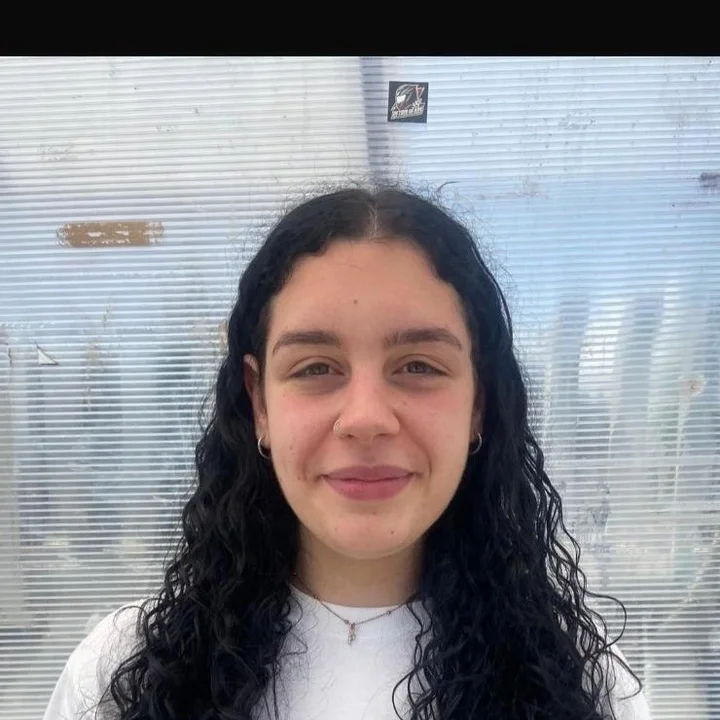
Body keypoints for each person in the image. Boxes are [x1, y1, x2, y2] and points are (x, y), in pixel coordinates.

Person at [42, 187, 653, 719]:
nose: (365, 419)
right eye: (315, 367)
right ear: (260, 404)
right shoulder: (120, 675)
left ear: (478, 405)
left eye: (419, 365)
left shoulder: (587, 685)